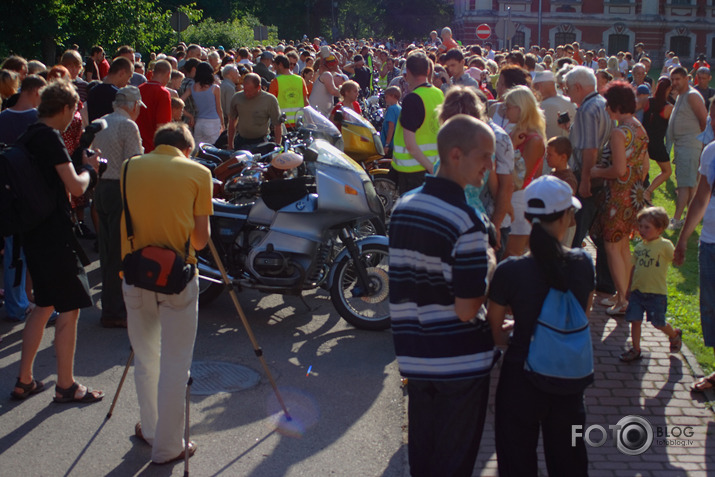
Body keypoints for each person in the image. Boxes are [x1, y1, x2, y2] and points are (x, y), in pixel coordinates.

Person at [389, 114, 497, 477]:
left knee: (423, 454)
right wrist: (491, 267)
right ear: (455, 154)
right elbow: (468, 309)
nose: (489, 165)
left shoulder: (404, 206)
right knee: (453, 462)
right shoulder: (467, 220)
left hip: (416, 357)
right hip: (459, 363)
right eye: (484, 156)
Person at [487, 175, 593, 477]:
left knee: (515, 461)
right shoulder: (584, 263)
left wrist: (520, 333)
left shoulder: (510, 271)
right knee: (571, 461)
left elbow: (495, 330)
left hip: (520, 379)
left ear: (529, 217)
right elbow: (578, 316)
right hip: (569, 387)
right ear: (568, 217)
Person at [121, 122, 212, 464]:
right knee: (176, 364)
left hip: (134, 274)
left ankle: (151, 428)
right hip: (177, 278)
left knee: (146, 359)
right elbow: (200, 241)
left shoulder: (131, 166)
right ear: (186, 149)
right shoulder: (198, 173)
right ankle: (168, 446)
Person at [10, 80, 104, 404]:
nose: (74, 117)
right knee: (71, 307)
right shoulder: (50, 138)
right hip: (55, 235)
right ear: (65, 108)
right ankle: (66, 384)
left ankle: (24, 379)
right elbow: (76, 187)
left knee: (43, 305)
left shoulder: (28, 134)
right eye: (75, 110)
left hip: (33, 232)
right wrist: (90, 170)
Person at [590, 81, 649, 315]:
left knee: (612, 247)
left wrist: (596, 172)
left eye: (608, 105)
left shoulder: (618, 132)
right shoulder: (639, 128)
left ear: (615, 105)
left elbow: (619, 170)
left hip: (617, 196)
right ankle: (623, 294)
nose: (606, 109)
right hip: (633, 195)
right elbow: (644, 167)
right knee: (623, 246)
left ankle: (624, 301)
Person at [92, 86, 145, 328]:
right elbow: (134, 163)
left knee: (106, 250)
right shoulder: (128, 126)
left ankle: (111, 305)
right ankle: (114, 311)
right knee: (118, 250)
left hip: (100, 188)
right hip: (119, 188)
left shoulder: (99, 121)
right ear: (133, 105)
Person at [0, 74, 46, 323]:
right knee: (22, 253)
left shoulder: (2, 118)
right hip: (27, 195)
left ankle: (20, 299)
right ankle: (20, 303)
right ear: (37, 92)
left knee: (14, 251)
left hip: (7, 193)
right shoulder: (37, 122)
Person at [564, 66, 614, 295]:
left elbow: (589, 148)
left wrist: (584, 179)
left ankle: (573, 278)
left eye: (568, 89)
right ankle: (604, 280)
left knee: (577, 228)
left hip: (587, 174)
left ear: (577, 87)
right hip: (599, 172)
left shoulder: (586, 109)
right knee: (598, 230)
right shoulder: (602, 103)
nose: (568, 94)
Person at [620, 207, 681, 362]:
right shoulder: (639, 247)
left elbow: (675, 259)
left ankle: (674, 335)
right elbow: (634, 268)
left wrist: (680, 255)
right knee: (635, 320)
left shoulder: (664, 245)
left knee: (658, 323)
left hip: (656, 293)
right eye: (640, 226)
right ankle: (636, 349)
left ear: (659, 229)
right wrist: (628, 288)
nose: (642, 230)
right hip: (638, 292)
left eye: (647, 227)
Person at [502, 85, 546, 258]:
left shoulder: (533, 139)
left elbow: (521, 178)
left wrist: (511, 145)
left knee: (511, 255)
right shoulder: (517, 132)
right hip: (510, 197)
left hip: (518, 201)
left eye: (508, 106)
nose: (505, 110)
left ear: (519, 108)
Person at [392, 51, 445, 195]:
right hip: (435, 166)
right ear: (428, 70)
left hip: (414, 171)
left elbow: (410, 145)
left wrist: (430, 168)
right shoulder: (439, 93)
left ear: (407, 72)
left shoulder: (412, 99)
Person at [668, 67, 708, 229]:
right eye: (673, 80)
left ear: (686, 78)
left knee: (684, 185)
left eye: (678, 79)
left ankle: (676, 220)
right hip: (682, 146)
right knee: (690, 185)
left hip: (690, 145)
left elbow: (705, 122)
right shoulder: (681, 96)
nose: (675, 82)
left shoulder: (692, 96)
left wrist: (704, 148)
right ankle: (691, 218)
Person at [227, 73, 282, 150]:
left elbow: (277, 125)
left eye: (249, 91)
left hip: (261, 143)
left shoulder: (270, 100)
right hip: (242, 141)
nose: (246, 93)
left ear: (259, 87)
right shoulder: (237, 98)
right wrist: (230, 144)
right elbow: (232, 121)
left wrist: (278, 146)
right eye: (245, 90)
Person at [642, 77, 674, 201]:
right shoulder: (669, 108)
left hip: (644, 141)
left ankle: (641, 191)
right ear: (669, 89)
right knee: (667, 171)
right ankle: (648, 191)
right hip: (657, 143)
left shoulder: (648, 101)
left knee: (642, 169)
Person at [182, 62, 223, 146]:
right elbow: (219, 108)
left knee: (198, 149)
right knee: (213, 149)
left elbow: (179, 102)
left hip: (199, 122)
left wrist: (189, 115)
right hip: (213, 121)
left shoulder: (192, 88)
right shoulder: (215, 88)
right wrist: (222, 124)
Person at [546, 136, 578, 246]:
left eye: (550, 155)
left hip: (565, 226)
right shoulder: (553, 172)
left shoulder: (568, 179)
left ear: (563, 157)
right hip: (553, 223)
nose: (547, 157)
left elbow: (566, 203)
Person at [136, 59, 172, 153]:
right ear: (168, 74)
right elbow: (162, 126)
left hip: (137, 143)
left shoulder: (139, 89)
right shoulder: (163, 93)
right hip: (153, 147)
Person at [87, 56, 133, 122]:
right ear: (122, 73)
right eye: (129, 77)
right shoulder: (119, 95)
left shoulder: (92, 91)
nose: (129, 81)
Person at [268, 54, 309, 128]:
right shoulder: (300, 79)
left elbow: (271, 104)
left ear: (280, 65)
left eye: (275, 66)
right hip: (299, 123)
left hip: (282, 123)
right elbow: (306, 102)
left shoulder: (275, 82)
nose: (274, 69)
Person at [380, 86, 401, 157]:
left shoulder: (391, 109)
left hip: (390, 145)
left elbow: (391, 127)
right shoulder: (400, 108)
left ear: (393, 96)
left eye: (386, 97)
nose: (385, 100)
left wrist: (387, 145)